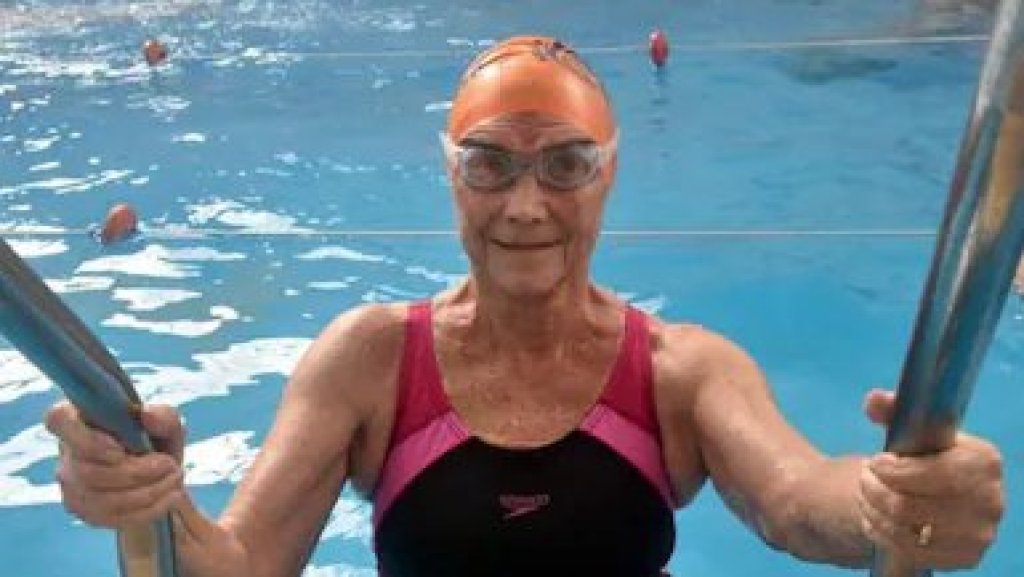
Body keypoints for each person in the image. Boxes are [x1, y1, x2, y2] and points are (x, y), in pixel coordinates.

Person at [45, 36, 1004, 577]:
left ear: (609, 175)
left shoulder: (682, 370)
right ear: (451, 176)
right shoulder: (369, 357)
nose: (526, 205)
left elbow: (797, 501)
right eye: (490, 164)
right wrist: (146, 505)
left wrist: (897, 503)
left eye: (566, 165)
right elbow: (240, 565)